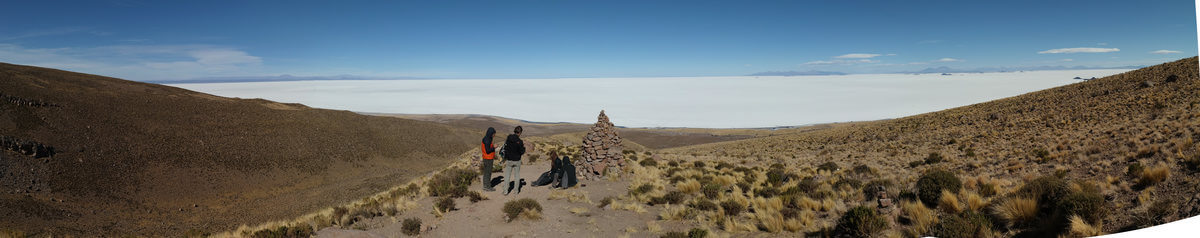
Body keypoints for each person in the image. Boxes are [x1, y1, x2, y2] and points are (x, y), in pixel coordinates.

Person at [502, 126, 525, 195]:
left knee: (507, 175)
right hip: (517, 160)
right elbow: (522, 151)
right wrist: (523, 148)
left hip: (509, 159)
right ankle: (516, 191)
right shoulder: (520, 142)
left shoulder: (509, 138)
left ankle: (505, 191)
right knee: (517, 175)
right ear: (520, 132)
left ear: (514, 131)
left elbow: (506, 147)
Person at [480, 127, 497, 191]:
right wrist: (494, 147)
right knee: (488, 173)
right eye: (493, 134)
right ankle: (487, 187)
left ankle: (485, 185)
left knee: (486, 172)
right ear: (491, 133)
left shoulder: (487, 138)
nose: (494, 135)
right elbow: (488, 150)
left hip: (486, 157)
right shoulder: (487, 140)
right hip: (488, 158)